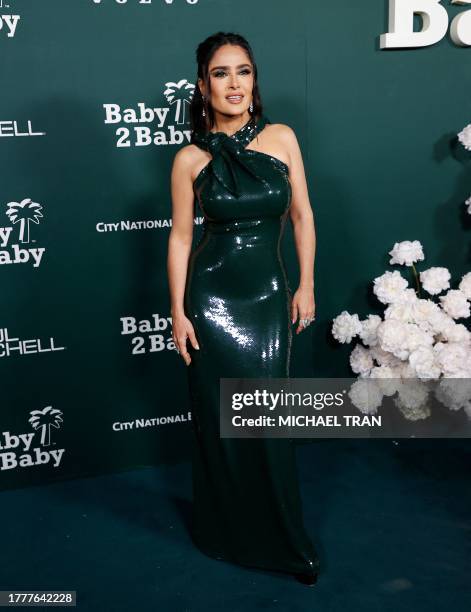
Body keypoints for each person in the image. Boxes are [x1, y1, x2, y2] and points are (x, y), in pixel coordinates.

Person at [167, 31, 319, 586]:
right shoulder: (188, 158)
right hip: (210, 297)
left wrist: (306, 285)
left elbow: (302, 216)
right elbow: (181, 238)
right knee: (219, 420)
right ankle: (224, 531)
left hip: (267, 296)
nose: (234, 83)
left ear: (255, 81)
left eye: (244, 72)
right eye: (221, 73)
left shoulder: (281, 138)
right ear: (203, 86)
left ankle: (279, 536)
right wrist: (179, 313)